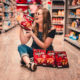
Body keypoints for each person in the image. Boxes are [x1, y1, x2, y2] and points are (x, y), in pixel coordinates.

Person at [18, 7, 56, 71]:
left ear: (45, 16)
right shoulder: (33, 27)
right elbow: (23, 42)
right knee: (21, 47)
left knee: (24, 57)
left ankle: (27, 60)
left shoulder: (51, 29)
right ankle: (29, 64)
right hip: (34, 52)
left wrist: (33, 34)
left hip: (46, 53)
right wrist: (21, 27)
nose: (36, 15)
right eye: (36, 13)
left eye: (38, 14)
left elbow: (44, 46)